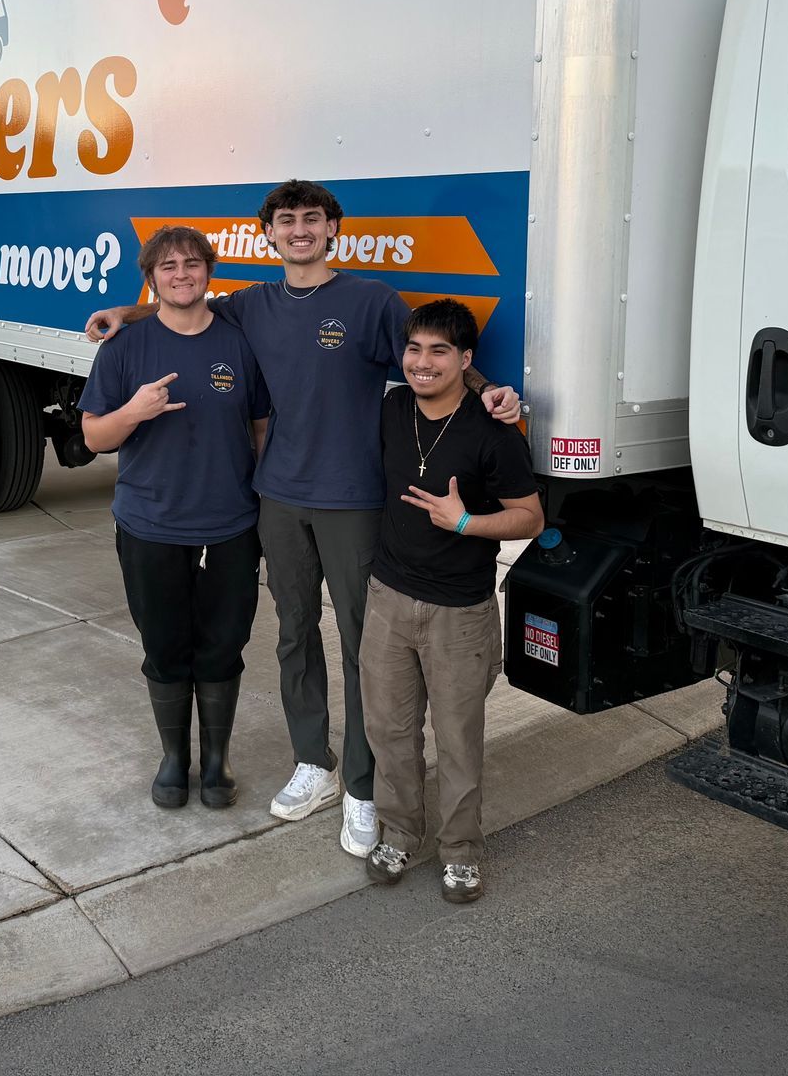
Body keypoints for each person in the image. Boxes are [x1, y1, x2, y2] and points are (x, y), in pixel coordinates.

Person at [86, 181, 520, 858]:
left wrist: (487, 388)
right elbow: (183, 307)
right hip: (277, 498)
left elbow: (431, 358)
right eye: (285, 221)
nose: (298, 231)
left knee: (361, 647)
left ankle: (362, 786)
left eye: (311, 220)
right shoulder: (251, 305)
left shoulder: (370, 300)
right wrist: (122, 312)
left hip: (352, 497)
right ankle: (313, 761)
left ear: (331, 229)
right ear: (267, 235)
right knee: (293, 634)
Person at [81, 226, 270, 809]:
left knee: (222, 645)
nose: (181, 273)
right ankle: (174, 757)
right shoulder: (124, 348)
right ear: (151, 277)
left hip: (231, 524)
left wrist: (260, 491)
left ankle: (216, 761)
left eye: (192, 263)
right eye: (168, 266)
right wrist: (134, 412)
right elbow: (93, 437)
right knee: (164, 645)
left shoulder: (239, 343)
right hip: (149, 523)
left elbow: (260, 425)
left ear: (208, 271)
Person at [361, 299, 542, 903]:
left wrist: (465, 522)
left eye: (440, 351)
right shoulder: (391, 408)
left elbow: (531, 518)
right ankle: (399, 832)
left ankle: (461, 851)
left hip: (460, 612)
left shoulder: (493, 431)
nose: (423, 362)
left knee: (458, 738)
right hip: (388, 598)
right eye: (414, 348)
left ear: (466, 360)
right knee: (388, 729)